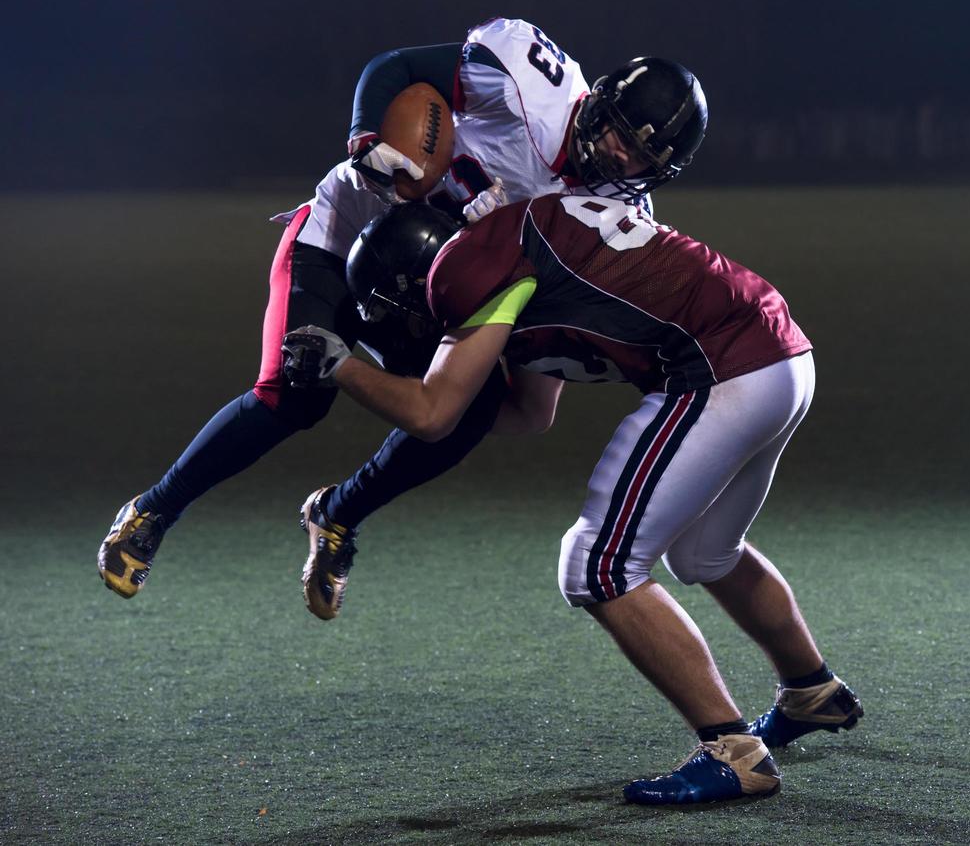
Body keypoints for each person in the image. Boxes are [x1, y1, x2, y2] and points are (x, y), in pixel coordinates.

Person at [96, 16, 708, 617]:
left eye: (639, 155)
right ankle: (155, 508)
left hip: (432, 287)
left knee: (476, 414)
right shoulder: (531, 79)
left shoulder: (615, 212)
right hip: (345, 232)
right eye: (620, 131)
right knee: (295, 391)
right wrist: (369, 138)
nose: (616, 153)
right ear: (600, 101)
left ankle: (337, 515)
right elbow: (400, 69)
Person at [279, 197, 863, 804]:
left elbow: (430, 415)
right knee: (704, 551)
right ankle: (812, 693)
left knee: (596, 565)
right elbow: (531, 413)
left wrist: (341, 367)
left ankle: (734, 754)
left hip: (722, 371)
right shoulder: (510, 251)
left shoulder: (465, 270)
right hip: (782, 358)